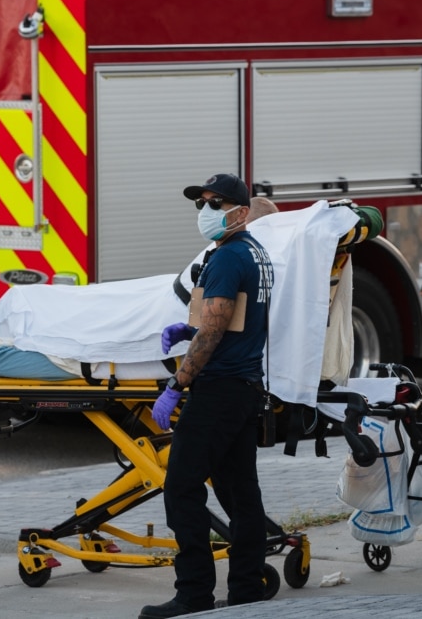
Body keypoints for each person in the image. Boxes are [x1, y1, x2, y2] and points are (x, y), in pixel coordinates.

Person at [139, 174, 274, 618]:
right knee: (240, 493)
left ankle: (194, 593)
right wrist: (191, 328)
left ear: (240, 211)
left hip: (218, 389)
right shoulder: (252, 252)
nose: (206, 210)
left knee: (181, 487)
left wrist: (176, 385)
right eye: (202, 203)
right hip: (244, 386)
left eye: (216, 203)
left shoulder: (230, 256)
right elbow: (228, 318)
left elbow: (214, 331)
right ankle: (247, 587)